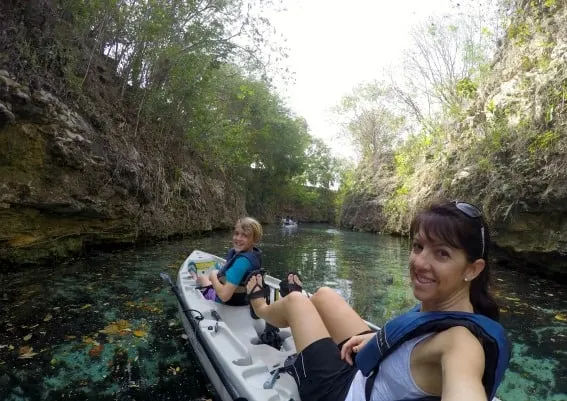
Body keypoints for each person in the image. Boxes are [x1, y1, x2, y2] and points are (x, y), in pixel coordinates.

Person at [245, 201, 510, 401]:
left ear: (472, 270)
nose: (419, 262)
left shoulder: (461, 345)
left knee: (296, 302)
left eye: (441, 253)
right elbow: (418, 338)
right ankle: (295, 302)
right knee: (324, 295)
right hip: (369, 372)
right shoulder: (447, 308)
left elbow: (463, 380)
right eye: (418, 247)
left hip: (342, 393)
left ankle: (261, 307)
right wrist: (382, 339)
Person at [195, 217, 262, 306]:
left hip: (228, 302)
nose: (238, 238)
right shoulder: (253, 254)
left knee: (202, 278)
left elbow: (224, 296)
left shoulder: (242, 262)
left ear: (254, 240)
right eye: (236, 233)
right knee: (215, 273)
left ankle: (195, 276)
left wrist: (213, 276)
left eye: (245, 235)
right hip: (243, 298)